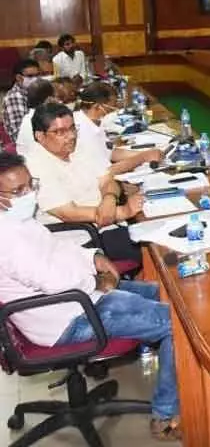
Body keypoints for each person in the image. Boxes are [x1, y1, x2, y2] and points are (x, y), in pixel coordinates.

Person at [0, 152, 181, 440]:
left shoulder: (18, 219)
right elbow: (53, 281)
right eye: (17, 191)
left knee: (168, 295)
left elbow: (56, 248)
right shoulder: (7, 238)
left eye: (29, 186)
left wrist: (93, 256)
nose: (28, 195)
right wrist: (97, 280)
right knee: (178, 324)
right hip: (65, 317)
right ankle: (165, 416)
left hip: (77, 298)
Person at [25, 103, 145, 230]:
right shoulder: (34, 167)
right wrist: (123, 212)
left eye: (72, 128)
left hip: (111, 219)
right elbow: (68, 214)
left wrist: (109, 198)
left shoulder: (79, 147)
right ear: (40, 136)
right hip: (82, 235)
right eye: (60, 132)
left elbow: (107, 179)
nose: (71, 136)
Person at [2, 59, 41, 143]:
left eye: (38, 75)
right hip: (25, 144)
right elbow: (20, 134)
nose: (36, 79)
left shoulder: (34, 91)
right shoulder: (14, 97)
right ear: (19, 78)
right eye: (30, 76)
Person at [14, 78, 56, 155]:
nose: (57, 100)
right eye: (54, 96)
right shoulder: (45, 120)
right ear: (49, 99)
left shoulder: (27, 118)